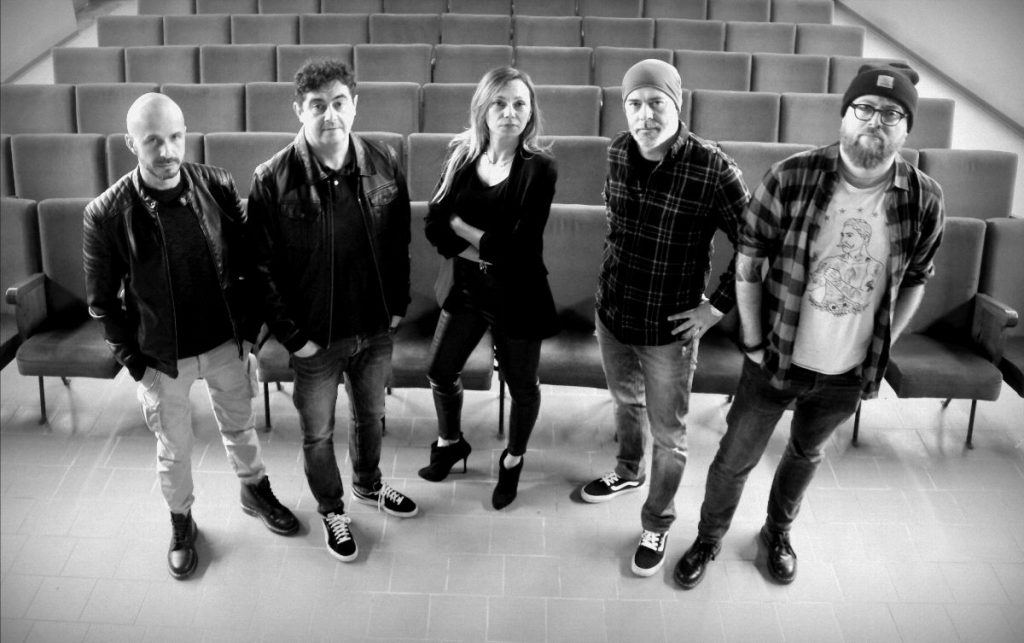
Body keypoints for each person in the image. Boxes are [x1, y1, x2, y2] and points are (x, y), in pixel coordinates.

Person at [673, 62, 945, 589]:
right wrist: (754, 341)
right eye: (864, 108)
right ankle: (708, 538)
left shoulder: (924, 198)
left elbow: (917, 277)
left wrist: (884, 346)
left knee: (806, 454)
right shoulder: (791, 176)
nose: (876, 121)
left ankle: (777, 533)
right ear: (844, 114)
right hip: (776, 356)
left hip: (848, 371)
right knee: (734, 460)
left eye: (892, 113)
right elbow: (749, 261)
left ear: (907, 127)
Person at [83, 93, 299, 580]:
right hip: (163, 358)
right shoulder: (106, 214)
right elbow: (102, 304)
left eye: (175, 137)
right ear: (131, 144)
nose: (167, 151)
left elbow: (249, 264)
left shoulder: (217, 184)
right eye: (152, 141)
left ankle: (254, 490)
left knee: (240, 426)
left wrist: (249, 336)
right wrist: (137, 367)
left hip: (225, 342)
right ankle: (182, 521)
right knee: (174, 448)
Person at [579, 59, 750, 577]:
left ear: (678, 104)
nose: (644, 114)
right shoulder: (617, 151)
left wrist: (715, 307)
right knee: (624, 403)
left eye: (656, 102)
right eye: (634, 103)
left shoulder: (714, 168)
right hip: (613, 314)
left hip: (668, 330)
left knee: (669, 437)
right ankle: (627, 470)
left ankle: (657, 520)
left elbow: (755, 245)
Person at [247, 58, 417, 563]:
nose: (330, 115)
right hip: (314, 337)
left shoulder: (384, 161)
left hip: (374, 327)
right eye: (317, 105)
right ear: (299, 110)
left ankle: (368, 483)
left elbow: (400, 243)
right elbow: (260, 270)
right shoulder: (272, 179)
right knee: (318, 432)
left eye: (339, 102)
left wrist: (397, 307)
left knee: (371, 416)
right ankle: (332, 508)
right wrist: (293, 338)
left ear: (354, 105)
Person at [419, 66, 559, 510]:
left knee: (522, 386)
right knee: (440, 369)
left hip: (518, 295)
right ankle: (450, 442)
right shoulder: (460, 155)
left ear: (531, 111)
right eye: (500, 102)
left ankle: (513, 460)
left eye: (520, 103)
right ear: (483, 108)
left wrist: (462, 227)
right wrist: (483, 246)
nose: (510, 112)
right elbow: (434, 226)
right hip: (467, 290)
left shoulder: (540, 169)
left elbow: (518, 249)